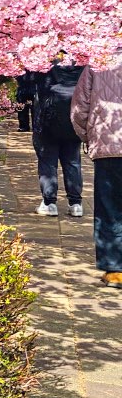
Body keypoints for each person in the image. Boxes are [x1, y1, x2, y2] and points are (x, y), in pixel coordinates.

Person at [71, 65, 122, 287]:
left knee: (109, 206)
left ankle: (114, 269)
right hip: (106, 146)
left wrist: (90, 137)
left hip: (108, 147)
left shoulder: (99, 59)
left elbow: (79, 108)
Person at [17, 61, 84, 217]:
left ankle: (49, 203)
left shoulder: (43, 60)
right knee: (72, 161)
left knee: (47, 161)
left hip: (47, 118)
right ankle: (75, 204)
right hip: (74, 119)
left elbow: (25, 87)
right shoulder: (82, 64)